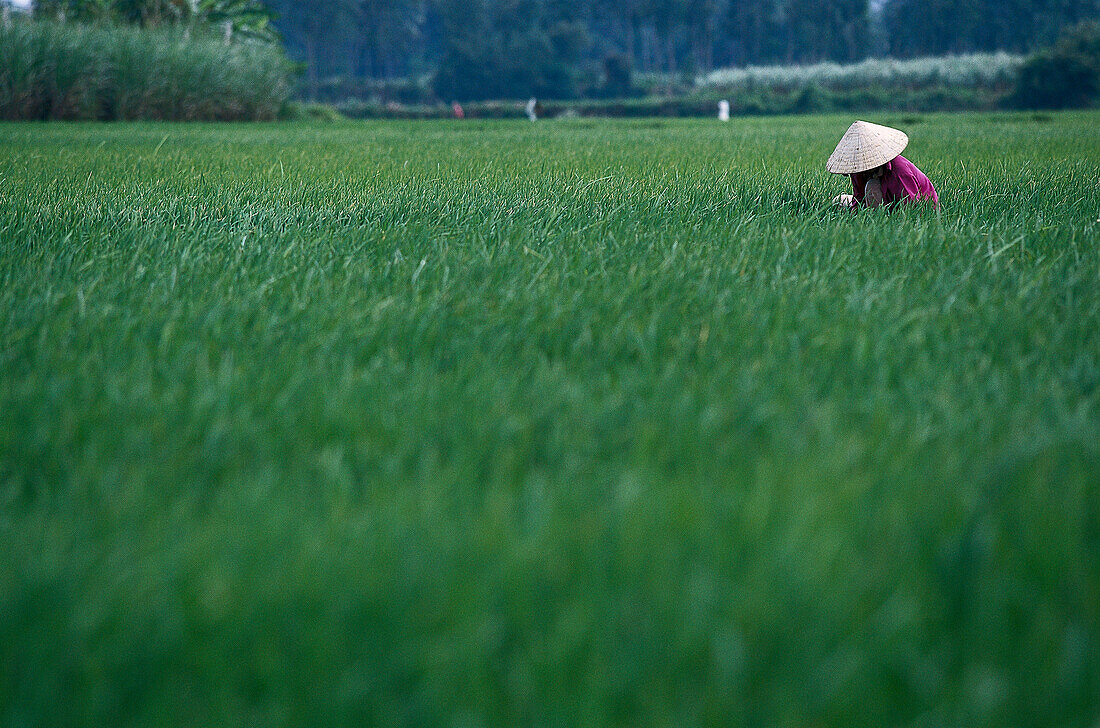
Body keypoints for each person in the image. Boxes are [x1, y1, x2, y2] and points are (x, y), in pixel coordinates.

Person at [827, 121, 938, 209]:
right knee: (839, 201)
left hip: (916, 208)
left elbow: (912, 208)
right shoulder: (857, 169)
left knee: (872, 185)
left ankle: (877, 221)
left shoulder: (900, 171)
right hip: (883, 204)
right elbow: (859, 200)